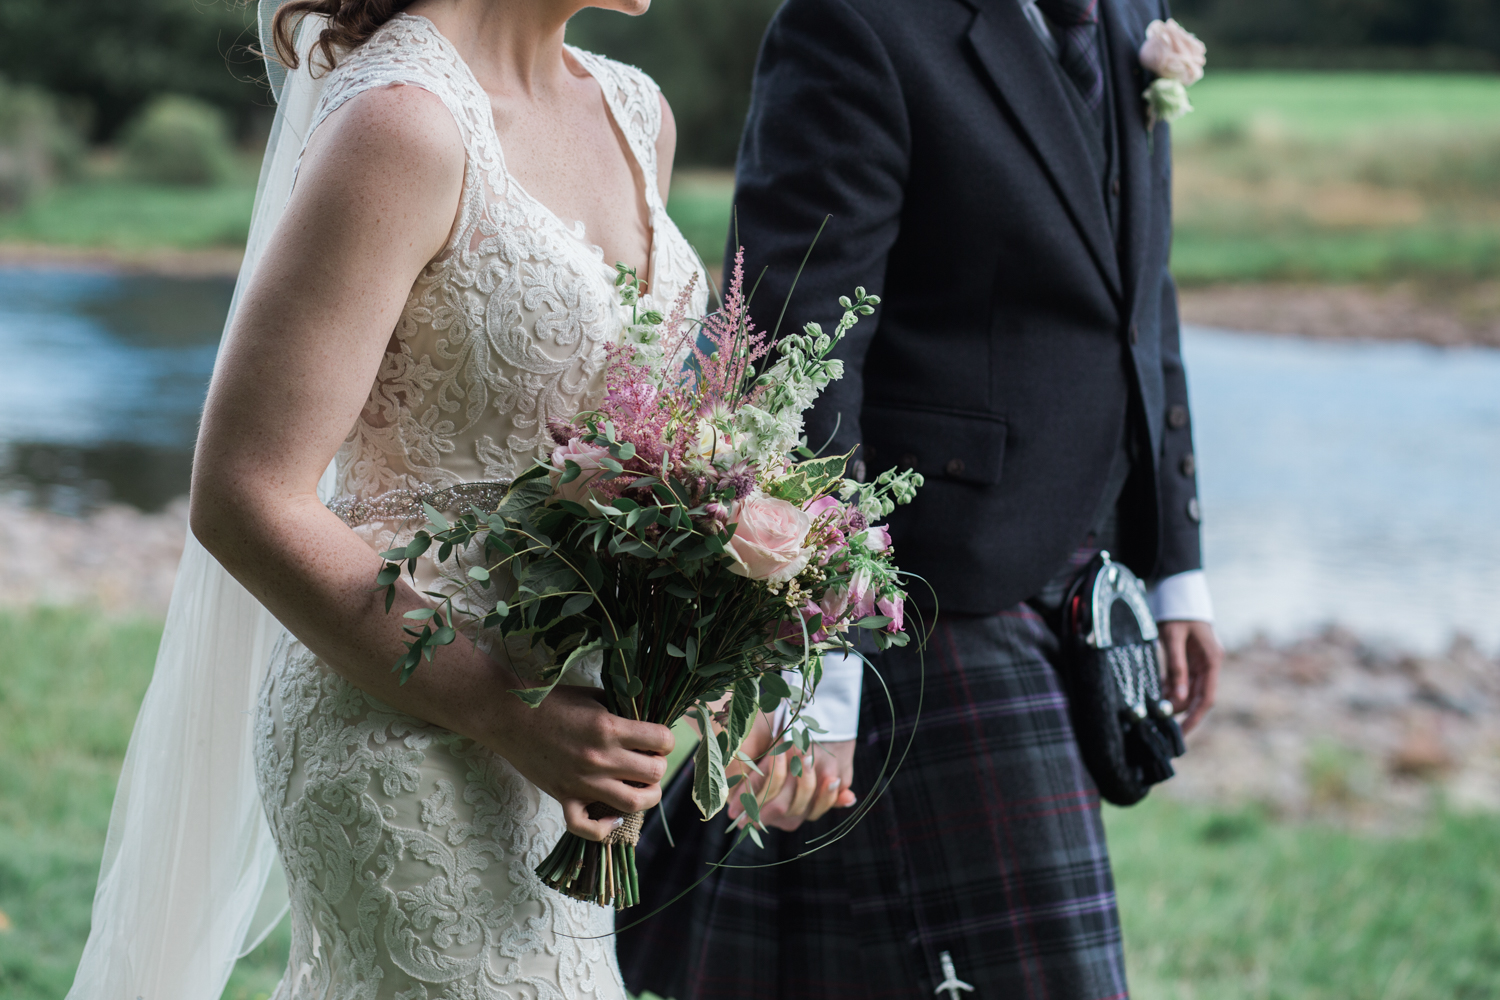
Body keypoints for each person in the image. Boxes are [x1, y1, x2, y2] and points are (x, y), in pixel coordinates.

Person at [66, 0, 703, 996]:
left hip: (570, 724)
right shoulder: (403, 122)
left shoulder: (637, 113)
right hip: (403, 722)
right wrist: (502, 709)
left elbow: (623, 436)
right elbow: (246, 494)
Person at [621, 0, 1224, 997]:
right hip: (918, 591)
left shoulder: (1130, 9)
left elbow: (1141, 296)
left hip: (1078, 577)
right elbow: (796, 354)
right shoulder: (853, 23)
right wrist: (818, 662)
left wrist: (1176, 566)